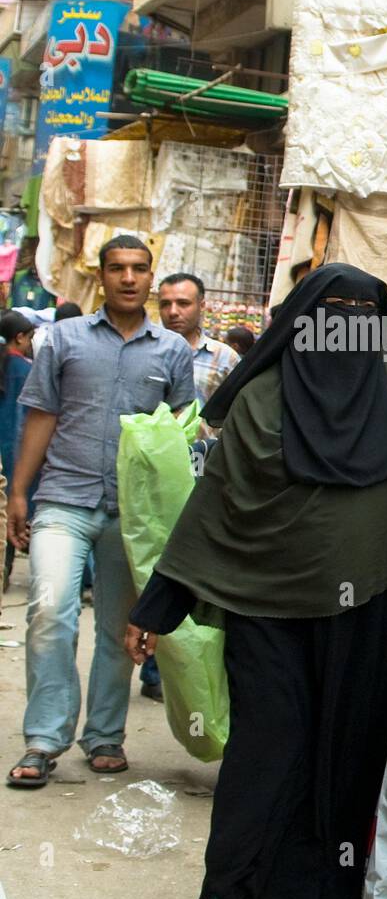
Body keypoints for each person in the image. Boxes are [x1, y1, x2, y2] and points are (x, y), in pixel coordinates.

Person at [125, 264, 387, 899]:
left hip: (370, 614)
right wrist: (157, 609)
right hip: (268, 610)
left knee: (343, 760)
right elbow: (216, 510)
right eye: (331, 311)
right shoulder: (261, 398)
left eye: (360, 313)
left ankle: (310, 896)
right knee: (266, 757)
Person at [6, 235, 195, 788]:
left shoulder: (172, 351)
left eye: (139, 269)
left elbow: (178, 435)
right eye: (118, 269)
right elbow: (40, 417)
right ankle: (44, 737)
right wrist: (20, 491)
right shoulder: (63, 339)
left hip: (132, 515)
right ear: (102, 275)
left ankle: (104, 735)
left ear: (151, 277)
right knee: (48, 612)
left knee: (120, 627)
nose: (129, 279)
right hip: (64, 497)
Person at [158, 273, 239, 408]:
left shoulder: (224, 359)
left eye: (183, 303)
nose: (172, 312)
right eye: (165, 304)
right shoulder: (145, 352)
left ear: (201, 306)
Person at [0, 311, 35, 591]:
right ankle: (5, 571)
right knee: (9, 517)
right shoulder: (26, 370)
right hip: (15, 457)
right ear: (20, 337)